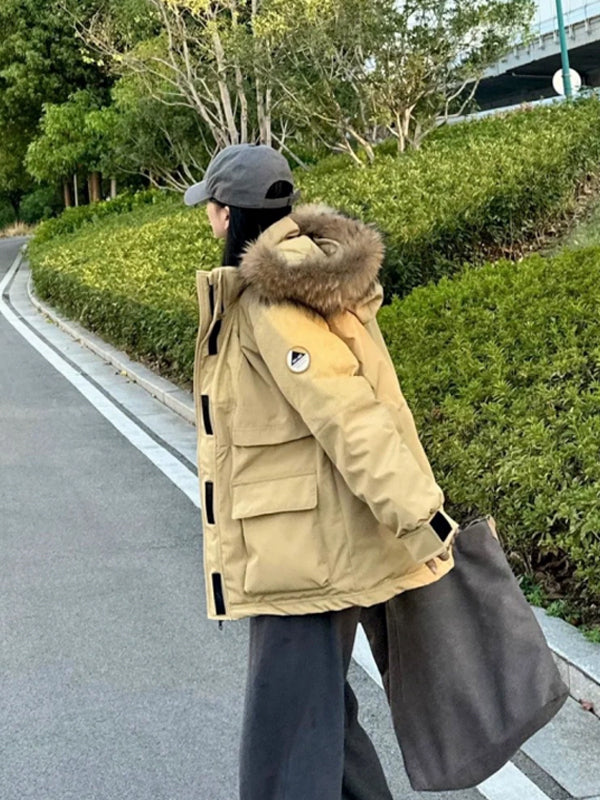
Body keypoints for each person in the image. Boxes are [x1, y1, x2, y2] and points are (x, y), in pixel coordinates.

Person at [184, 144, 458, 800]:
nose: (209, 220)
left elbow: (347, 411)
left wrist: (422, 515)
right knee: (318, 721)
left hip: (300, 551)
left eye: (212, 208)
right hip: (309, 538)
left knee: (282, 743)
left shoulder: (273, 300)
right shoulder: (299, 277)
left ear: (228, 214)